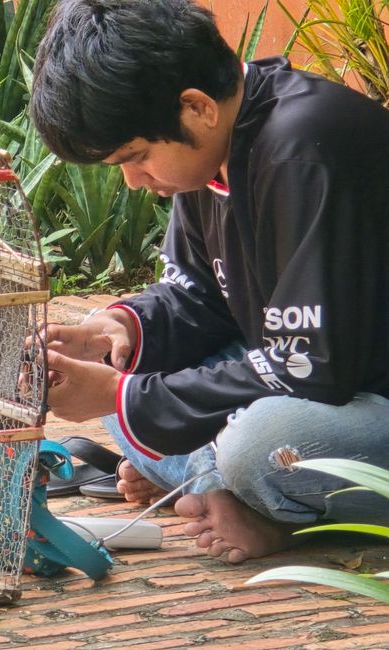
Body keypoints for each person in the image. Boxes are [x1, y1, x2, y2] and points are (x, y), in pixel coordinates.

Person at [29, 0, 389, 563]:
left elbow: (311, 369)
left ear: (196, 107)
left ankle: (266, 510)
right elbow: (200, 297)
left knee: (258, 444)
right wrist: (116, 329)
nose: (131, 180)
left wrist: (119, 398)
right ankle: (220, 488)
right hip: (327, 380)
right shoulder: (214, 147)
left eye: (137, 157)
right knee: (124, 369)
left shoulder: (303, 149)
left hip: (356, 400)